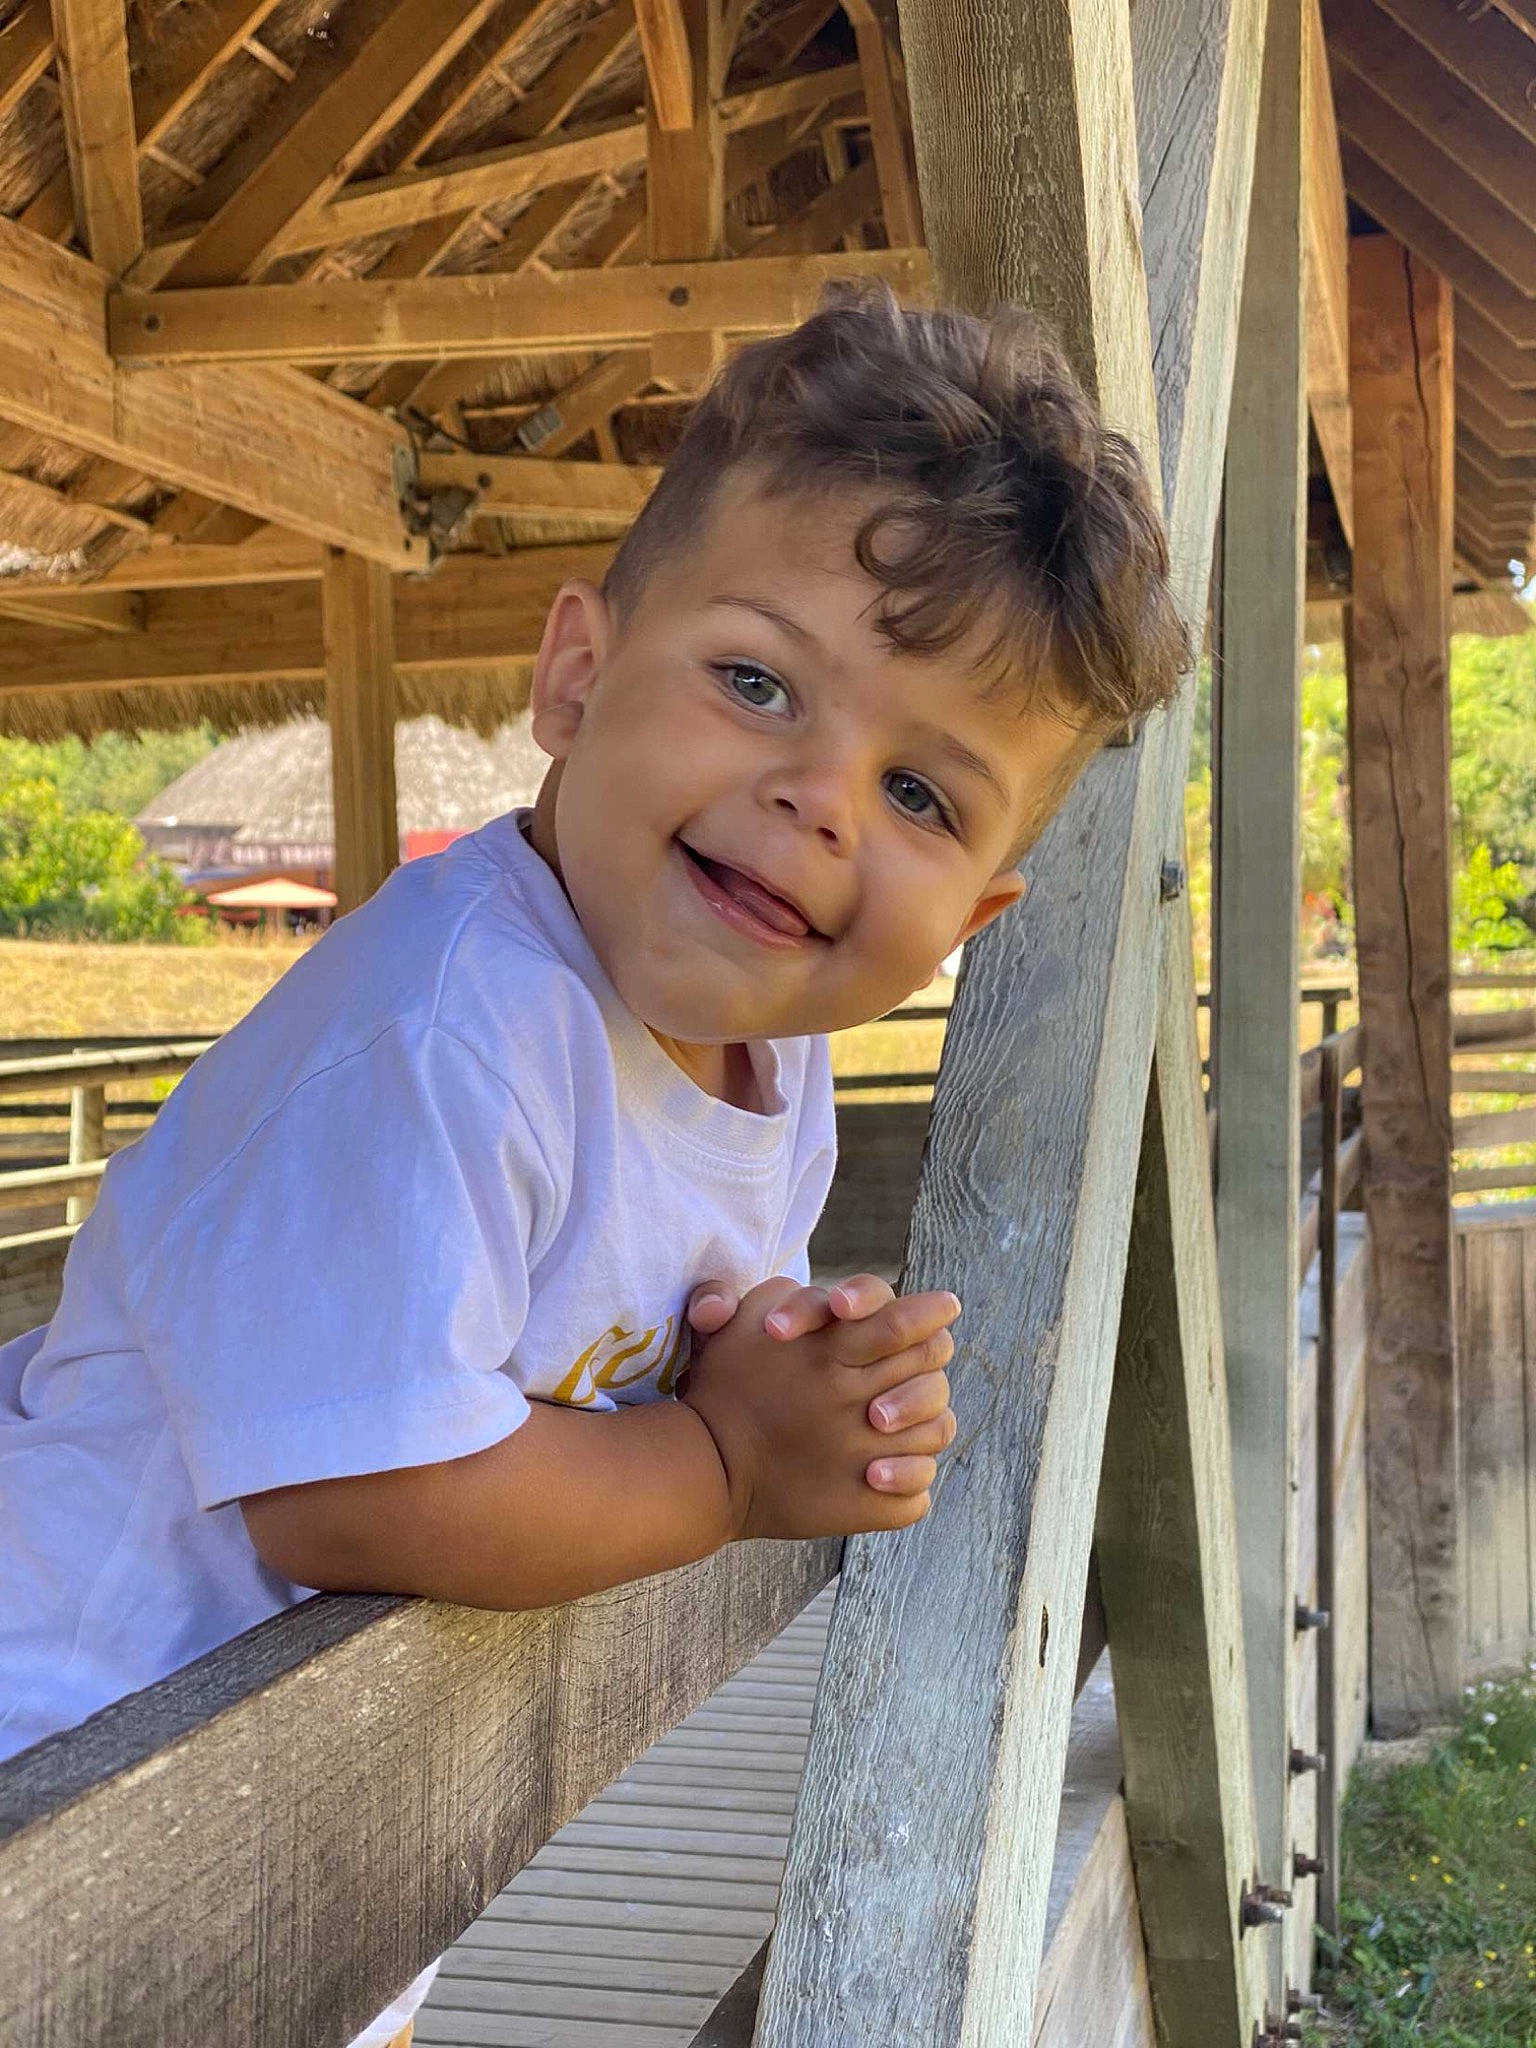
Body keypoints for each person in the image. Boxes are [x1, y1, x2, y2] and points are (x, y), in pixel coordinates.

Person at [0, 283, 1186, 2043]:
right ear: (573, 677)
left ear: (977, 916)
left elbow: (648, 1323)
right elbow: (356, 1494)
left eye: (926, 798)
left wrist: (782, 1365)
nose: (823, 798)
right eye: (759, 682)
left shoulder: (766, 1066)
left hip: (308, 1834)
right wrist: (722, 1463)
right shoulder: (452, 1024)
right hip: (76, 1782)